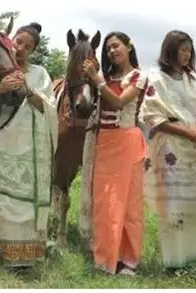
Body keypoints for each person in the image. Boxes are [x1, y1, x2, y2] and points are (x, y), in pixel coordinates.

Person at [0, 22, 58, 270]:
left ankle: (29, 254)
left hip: (33, 149)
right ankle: (3, 248)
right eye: (19, 42)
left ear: (33, 51)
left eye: (28, 46)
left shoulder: (40, 73)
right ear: (10, 41)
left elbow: (47, 107)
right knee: (5, 198)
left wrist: (27, 89)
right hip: (5, 145)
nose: (21, 48)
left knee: (27, 201)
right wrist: (1, 87)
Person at [141, 30, 196, 271]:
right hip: (171, 149)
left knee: (193, 204)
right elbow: (152, 116)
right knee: (173, 206)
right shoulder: (155, 78)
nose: (187, 54)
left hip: (195, 151)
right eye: (183, 49)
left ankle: (194, 259)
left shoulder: (190, 79)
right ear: (170, 49)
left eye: (189, 50)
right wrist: (189, 132)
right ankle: (173, 262)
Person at [78, 31, 151, 276]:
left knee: (129, 204)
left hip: (128, 142)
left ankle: (128, 260)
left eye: (116, 46)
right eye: (108, 48)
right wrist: (92, 78)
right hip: (104, 142)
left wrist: (96, 79)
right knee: (105, 202)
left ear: (129, 46)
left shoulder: (138, 77)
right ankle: (105, 258)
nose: (112, 51)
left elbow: (120, 102)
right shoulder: (106, 76)